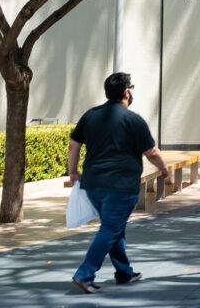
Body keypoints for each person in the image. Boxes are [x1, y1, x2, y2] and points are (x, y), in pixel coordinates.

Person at [68, 72, 170, 294]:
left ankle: (124, 272)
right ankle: (85, 274)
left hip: (93, 184)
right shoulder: (133, 120)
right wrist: (163, 168)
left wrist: (72, 171)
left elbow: (73, 145)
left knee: (115, 228)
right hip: (121, 186)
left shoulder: (90, 116)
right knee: (110, 229)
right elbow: (151, 151)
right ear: (126, 92)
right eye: (130, 87)